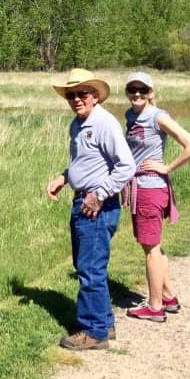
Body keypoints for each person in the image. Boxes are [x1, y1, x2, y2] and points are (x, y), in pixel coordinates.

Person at [46, 68, 136, 351]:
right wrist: (64, 177)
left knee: (90, 269)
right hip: (82, 201)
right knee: (88, 265)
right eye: (71, 94)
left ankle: (94, 332)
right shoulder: (77, 125)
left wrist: (98, 195)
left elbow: (126, 166)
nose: (76, 99)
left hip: (97, 206)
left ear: (95, 96)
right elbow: (82, 163)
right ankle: (103, 322)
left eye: (82, 93)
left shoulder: (104, 123)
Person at [122, 71, 190, 322]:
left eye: (142, 90)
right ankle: (167, 296)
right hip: (140, 187)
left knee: (151, 250)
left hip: (150, 188)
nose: (137, 94)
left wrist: (166, 167)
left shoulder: (158, 117)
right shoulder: (131, 116)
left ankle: (155, 306)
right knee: (152, 245)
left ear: (151, 93)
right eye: (132, 89)